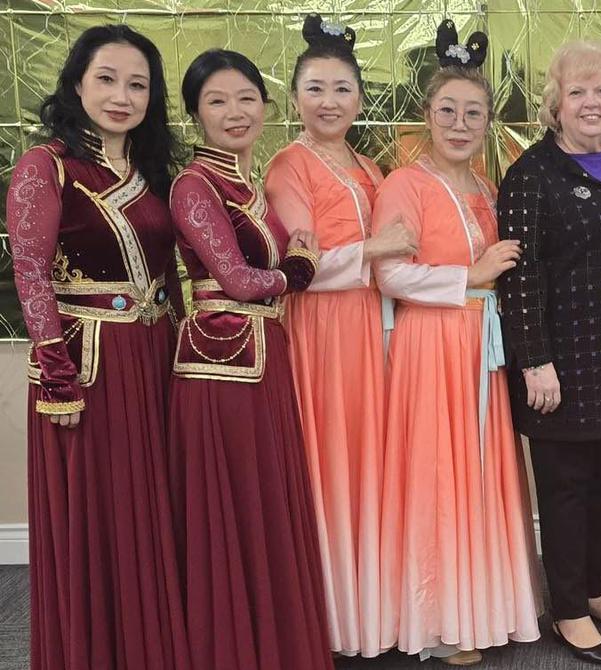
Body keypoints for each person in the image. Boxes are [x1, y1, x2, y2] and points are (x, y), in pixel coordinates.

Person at [7, 24, 190, 670]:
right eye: (106, 79)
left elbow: (172, 276)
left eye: (137, 84)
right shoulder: (48, 165)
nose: (122, 95)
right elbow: (29, 272)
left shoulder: (153, 171)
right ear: (76, 84)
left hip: (155, 355)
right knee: (100, 520)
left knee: (158, 510)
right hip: (90, 365)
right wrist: (57, 374)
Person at [375, 19, 540, 667]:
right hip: (432, 343)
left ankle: (485, 604)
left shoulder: (489, 190)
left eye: (474, 112)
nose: (461, 123)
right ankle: (439, 615)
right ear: (427, 114)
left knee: (480, 469)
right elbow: (389, 273)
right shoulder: (404, 185)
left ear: (487, 120)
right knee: (438, 470)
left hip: (481, 345)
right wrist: (465, 278)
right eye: (448, 110)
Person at [497, 38, 601, 667]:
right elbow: (520, 275)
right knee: (565, 488)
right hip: (561, 364)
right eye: (577, 92)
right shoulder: (531, 175)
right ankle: (565, 607)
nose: (591, 103)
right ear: (555, 107)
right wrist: (534, 359)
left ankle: (593, 588)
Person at [168, 48, 333, 670]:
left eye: (245, 98)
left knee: (262, 503)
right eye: (216, 101)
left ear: (265, 107)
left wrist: (291, 260)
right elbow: (237, 280)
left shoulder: (246, 180)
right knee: (232, 506)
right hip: (219, 369)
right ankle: (232, 649)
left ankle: (270, 647)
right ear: (194, 115)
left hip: (261, 358)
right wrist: (298, 269)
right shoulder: (194, 184)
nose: (235, 112)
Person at [263, 15, 417, 658]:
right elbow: (302, 269)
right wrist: (379, 244)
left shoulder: (367, 166)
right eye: (316, 89)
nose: (330, 102)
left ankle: (378, 613)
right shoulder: (288, 165)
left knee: (374, 465)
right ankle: (329, 620)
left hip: (374, 331)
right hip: (324, 334)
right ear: (295, 96)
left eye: (343, 89)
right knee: (331, 465)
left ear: (360, 98)